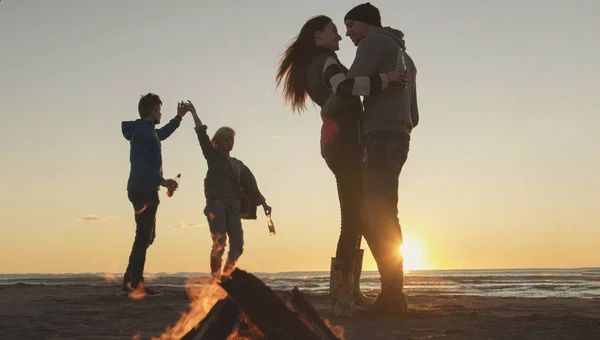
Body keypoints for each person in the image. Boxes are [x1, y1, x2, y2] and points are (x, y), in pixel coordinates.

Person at [275, 15, 409, 316]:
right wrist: (386, 79)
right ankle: (342, 299)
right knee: (353, 219)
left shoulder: (314, 64)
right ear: (318, 37)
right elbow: (346, 88)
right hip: (344, 144)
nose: (339, 35)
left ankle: (351, 294)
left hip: (337, 144)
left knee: (357, 218)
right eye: (334, 30)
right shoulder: (326, 62)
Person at [343, 2, 420, 315]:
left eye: (350, 26)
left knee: (380, 212)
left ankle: (392, 295)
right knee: (371, 211)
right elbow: (414, 113)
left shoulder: (374, 43)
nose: (347, 33)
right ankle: (390, 292)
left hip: (380, 138)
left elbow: (349, 85)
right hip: (397, 137)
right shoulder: (406, 56)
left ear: (366, 24)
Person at [184, 100, 271, 280]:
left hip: (234, 207)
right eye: (225, 139)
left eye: (231, 139)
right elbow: (202, 136)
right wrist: (193, 113)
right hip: (216, 204)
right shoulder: (213, 156)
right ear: (217, 142)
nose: (229, 142)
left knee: (238, 244)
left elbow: (251, 186)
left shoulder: (239, 164)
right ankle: (216, 278)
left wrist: (263, 203)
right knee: (219, 242)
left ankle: (225, 276)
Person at [120, 93, 187, 297]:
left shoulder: (147, 131)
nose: (160, 113)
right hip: (143, 189)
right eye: (159, 110)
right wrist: (162, 181)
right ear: (152, 111)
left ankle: (132, 280)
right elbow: (140, 164)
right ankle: (133, 283)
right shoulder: (143, 133)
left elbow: (161, 134)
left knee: (147, 236)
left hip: (143, 188)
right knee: (143, 236)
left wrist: (178, 118)